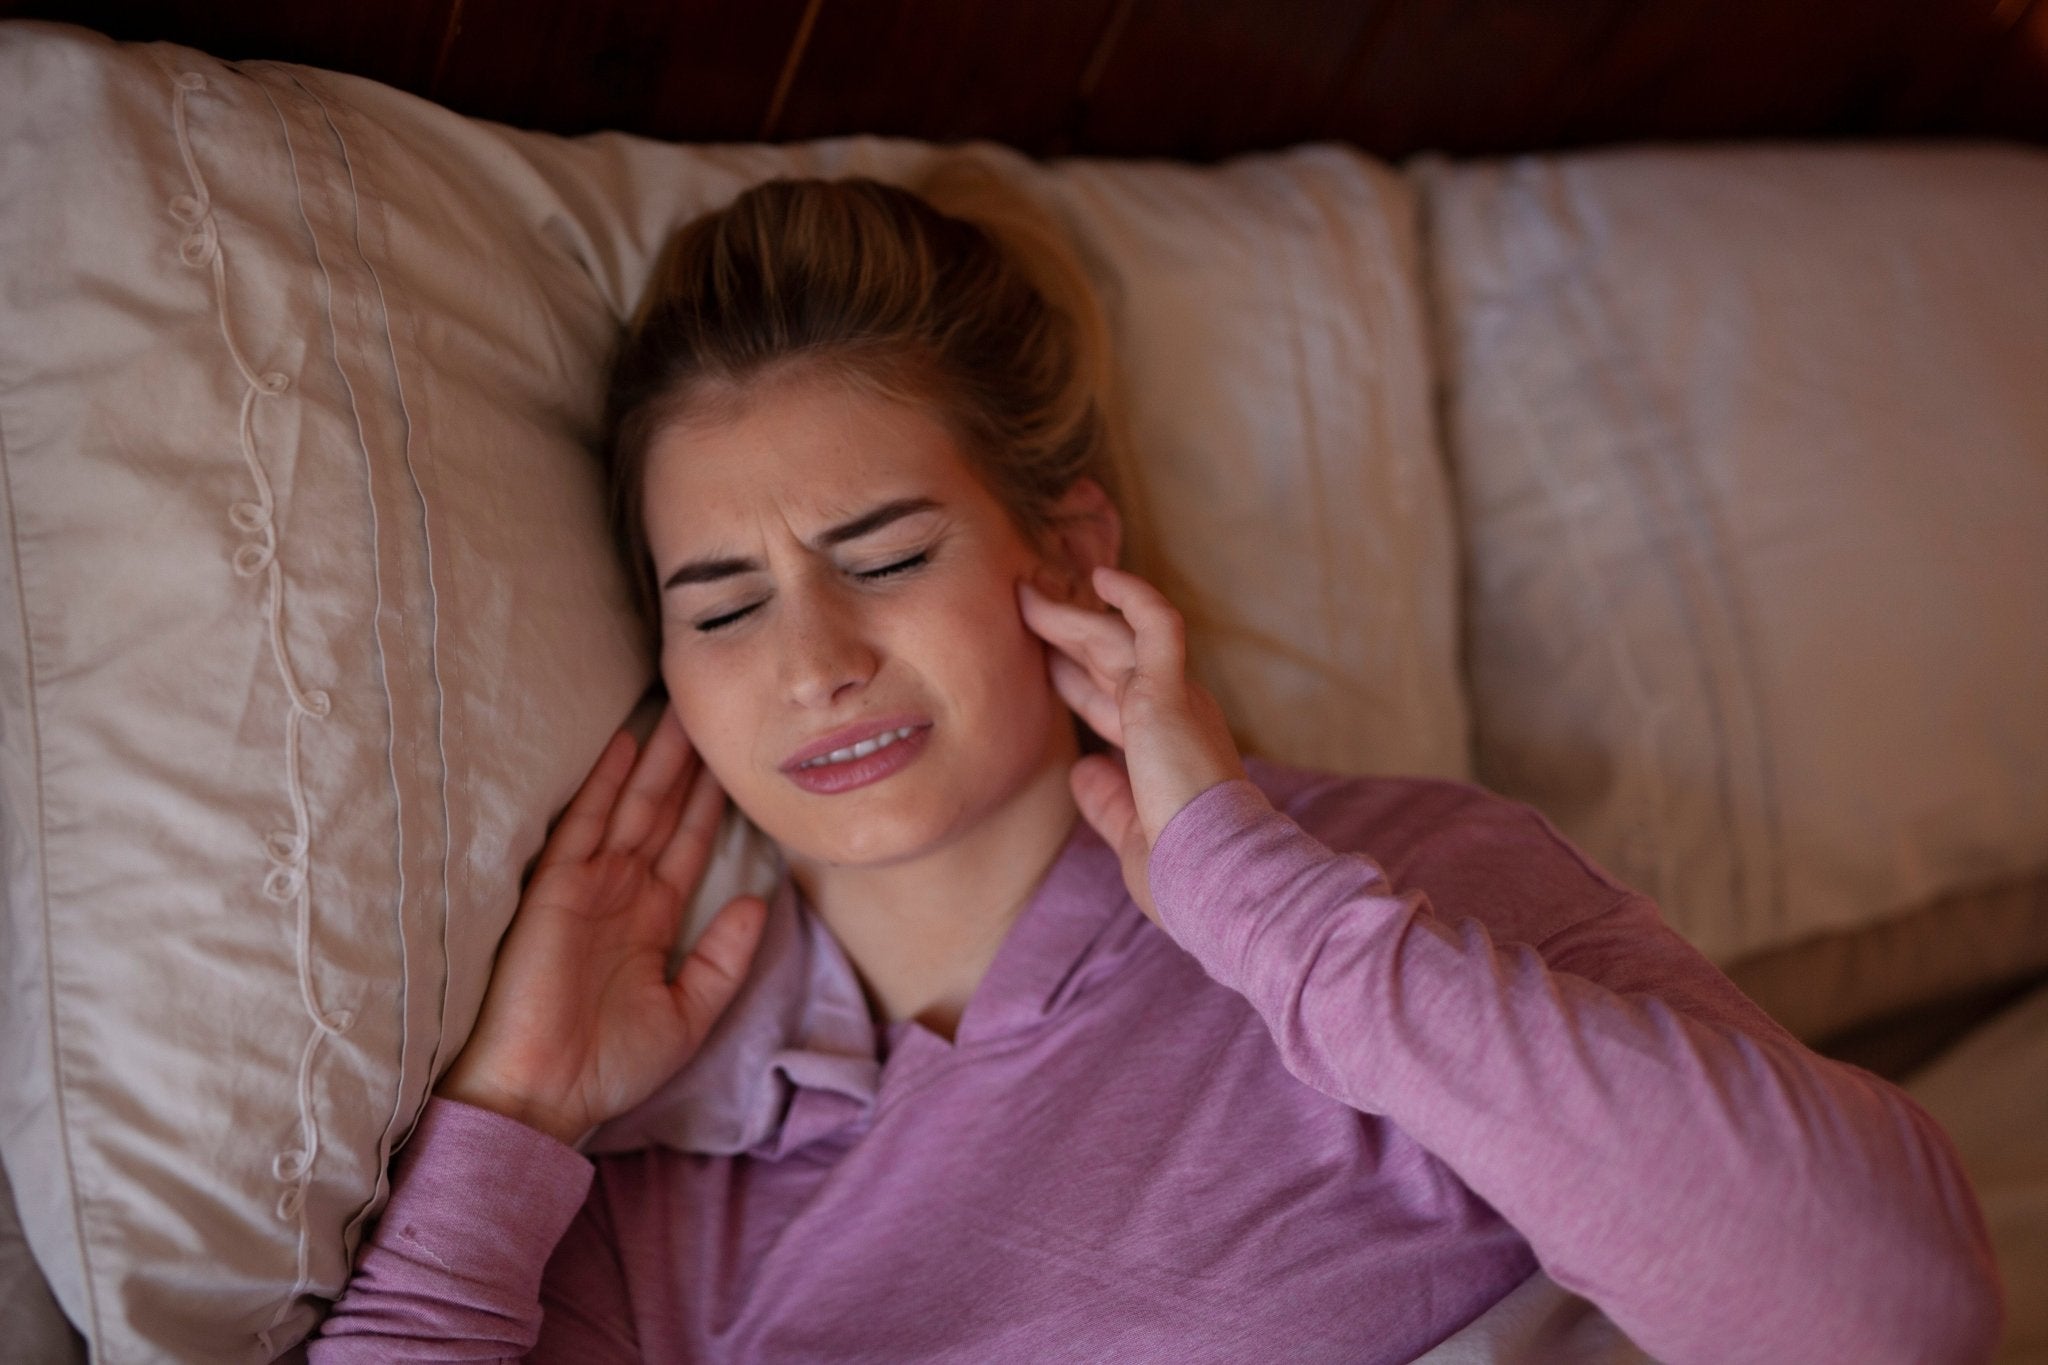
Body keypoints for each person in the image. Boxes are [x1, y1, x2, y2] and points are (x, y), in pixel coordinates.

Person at [309, 171, 2002, 1364]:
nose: (815, 658)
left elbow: (1897, 1313)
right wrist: (513, 1114)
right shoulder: (668, 1195)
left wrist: (1257, 904)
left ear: (1066, 548)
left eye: (885, 555)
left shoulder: (1377, 894)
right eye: (726, 601)